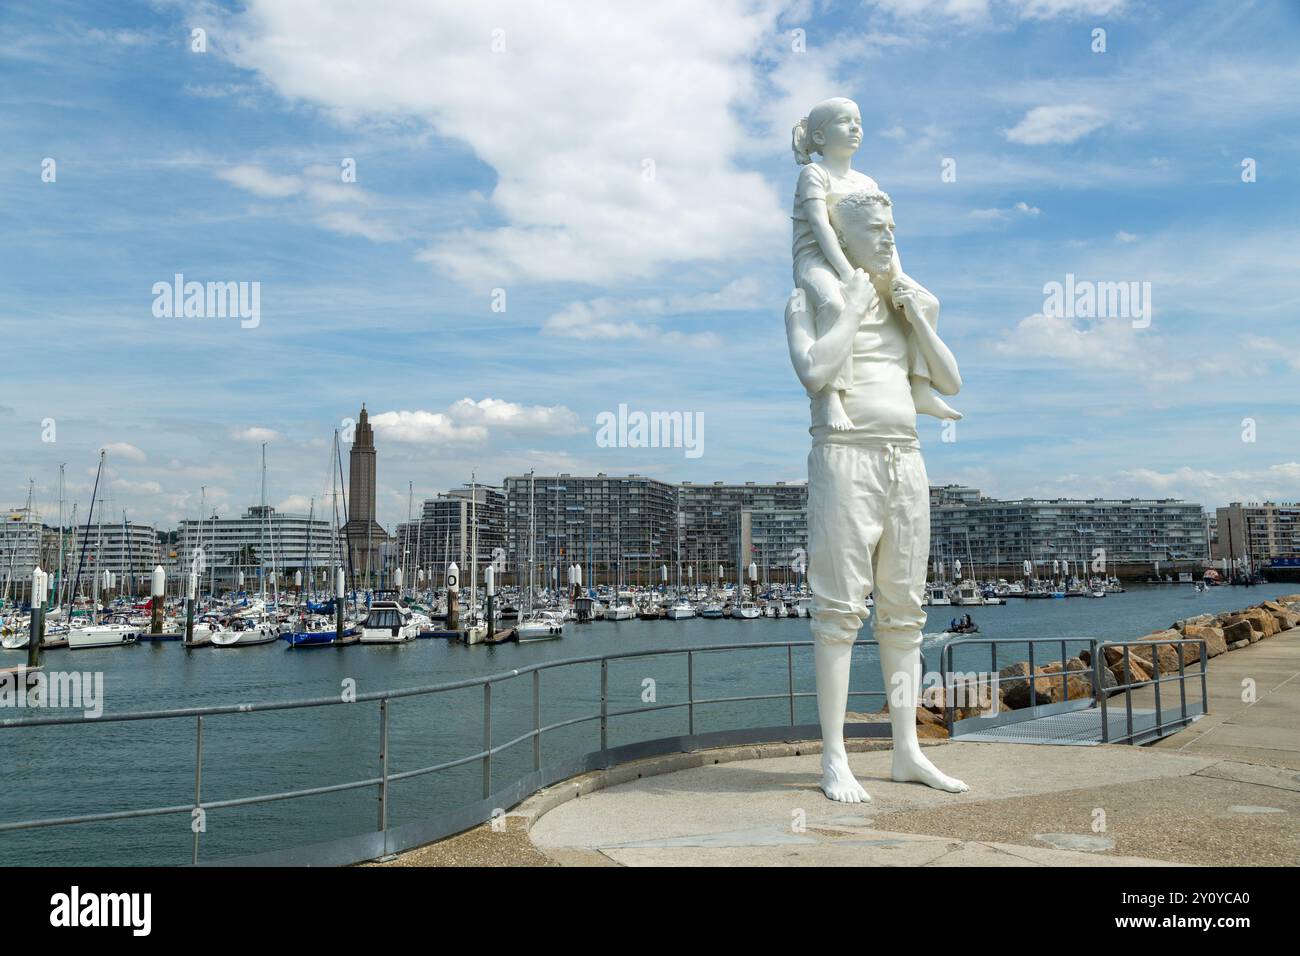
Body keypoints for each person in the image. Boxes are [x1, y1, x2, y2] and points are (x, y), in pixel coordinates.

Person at [790, 97, 961, 432]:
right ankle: (831, 397)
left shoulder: (867, 182)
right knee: (836, 303)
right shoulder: (815, 174)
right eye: (844, 121)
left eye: (859, 121)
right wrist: (845, 273)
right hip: (818, 259)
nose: (855, 128)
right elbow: (823, 227)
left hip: (867, 261)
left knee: (926, 302)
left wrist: (897, 280)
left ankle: (921, 387)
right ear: (820, 137)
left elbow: (886, 234)